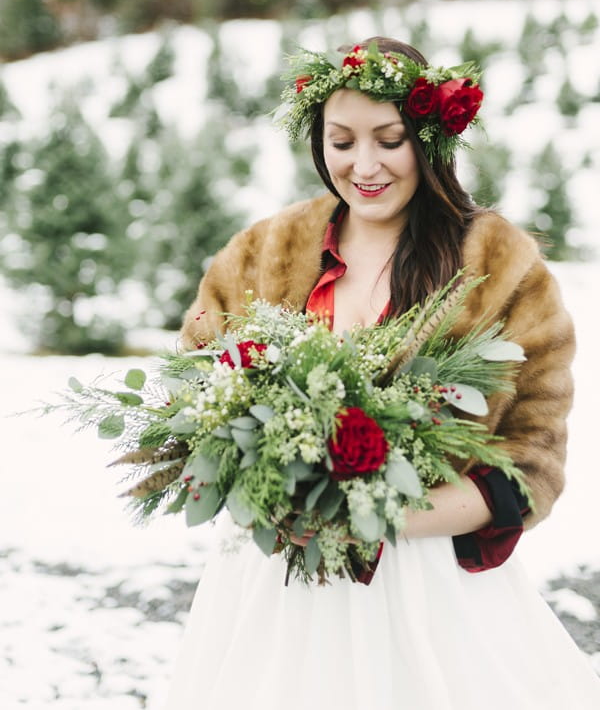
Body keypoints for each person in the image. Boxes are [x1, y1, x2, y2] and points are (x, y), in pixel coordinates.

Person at [164, 38, 600, 709]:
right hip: (275, 586)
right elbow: (192, 393)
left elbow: (531, 465)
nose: (363, 165)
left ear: (428, 140)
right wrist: (262, 483)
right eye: (341, 141)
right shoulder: (265, 250)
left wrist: (376, 519)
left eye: (389, 139)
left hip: (431, 591)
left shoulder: (499, 264)